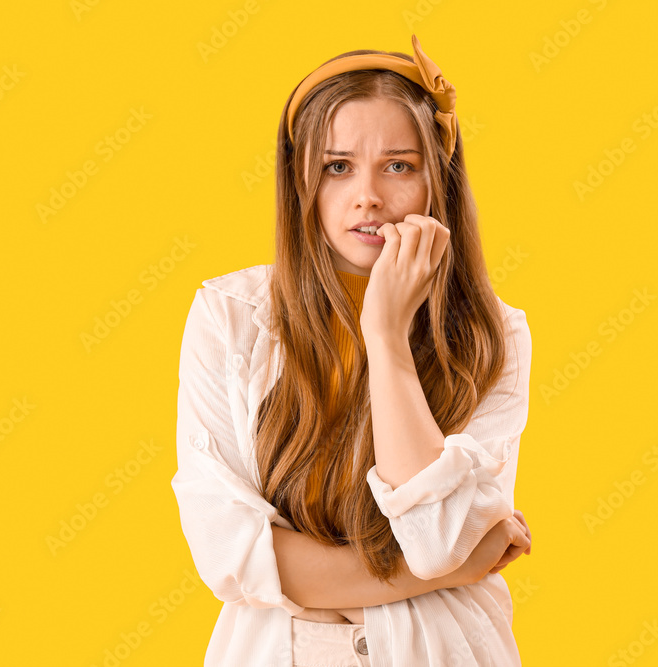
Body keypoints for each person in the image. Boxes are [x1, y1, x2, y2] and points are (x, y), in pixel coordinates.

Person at [171, 34, 533, 667]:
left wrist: (387, 338)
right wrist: (440, 575)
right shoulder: (230, 317)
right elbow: (226, 553)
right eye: (337, 167)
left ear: (435, 181)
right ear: (302, 182)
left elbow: (434, 541)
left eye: (399, 165)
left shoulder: (493, 334)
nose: (368, 196)